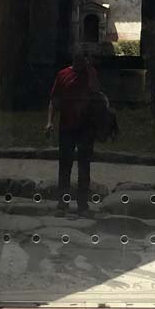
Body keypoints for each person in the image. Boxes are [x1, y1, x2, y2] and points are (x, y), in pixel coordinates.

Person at [45, 51, 103, 216]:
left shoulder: (90, 74)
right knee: (65, 166)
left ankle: (82, 204)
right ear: (74, 59)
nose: (82, 61)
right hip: (67, 127)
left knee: (84, 166)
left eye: (85, 59)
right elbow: (54, 101)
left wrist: (90, 71)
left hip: (86, 127)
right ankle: (63, 203)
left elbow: (96, 89)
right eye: (80, 59)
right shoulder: (63, 74)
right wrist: (49, 122)